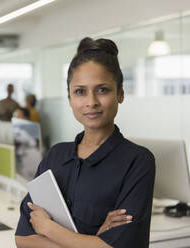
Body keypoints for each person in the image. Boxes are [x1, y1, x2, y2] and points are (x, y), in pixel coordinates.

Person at [15, 37, 155, 248]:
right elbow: (23, 239)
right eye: (80, 91)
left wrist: (48, 229)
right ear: (70, 98)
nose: (91, 102)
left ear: (120, 94)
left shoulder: (138, 161)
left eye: (102, 90)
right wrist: (91, 242)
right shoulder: (56, 156)